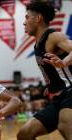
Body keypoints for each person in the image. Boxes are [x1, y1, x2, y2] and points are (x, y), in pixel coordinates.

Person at [17, 1, 72, 140]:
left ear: (38, 18)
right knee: (24, 134)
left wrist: (64, 62)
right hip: (59, 97)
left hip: (71, 90)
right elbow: (52, 70)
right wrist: (51, 85)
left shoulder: (53, 36)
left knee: (65, 125)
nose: (24, 22)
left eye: (27, 17)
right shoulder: (38, 44)